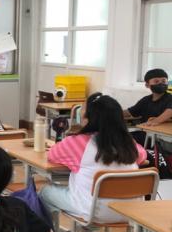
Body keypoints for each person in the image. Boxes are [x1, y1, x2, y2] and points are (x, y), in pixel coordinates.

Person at [40, 93, 146, 223]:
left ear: (88, 118)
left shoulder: (78, 142)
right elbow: (142, 156)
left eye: (83, 110)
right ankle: (85, 230)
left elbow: (52, 155)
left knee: (45, 192)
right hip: (131, 212)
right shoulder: (129, 143)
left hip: (95, 212)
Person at [125, 68, 172, 145]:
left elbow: (170, 111)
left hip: (161, 140)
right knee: (116, 136)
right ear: (147, 85)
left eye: (164, 81)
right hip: (144, 134)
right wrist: (112, 111)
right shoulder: (146, 100)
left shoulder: (170, 98)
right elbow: (129, 112)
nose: (161, 83)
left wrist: (156, 121)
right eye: (156, 81)